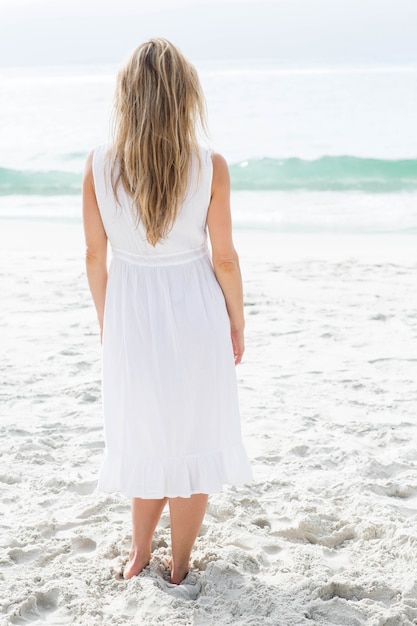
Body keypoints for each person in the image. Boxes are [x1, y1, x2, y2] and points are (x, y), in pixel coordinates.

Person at [82, 38, 252, 585]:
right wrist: (238, 320)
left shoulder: (99, 166)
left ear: (127, 96)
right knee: (193, 437)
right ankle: (179, 568)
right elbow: (223, 257)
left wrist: (110, 322)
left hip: (130, 314)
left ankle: (138, 555)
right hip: (196, 311)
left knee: (145, 435)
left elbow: (93, 255)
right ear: (186, 96)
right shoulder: (210, 166)